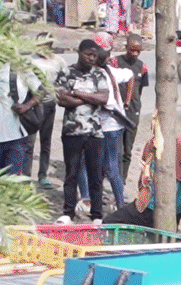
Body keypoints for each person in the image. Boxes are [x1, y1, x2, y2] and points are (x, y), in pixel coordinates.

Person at [54, 38, 109, 224]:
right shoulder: (66, 73)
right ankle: (68, 213)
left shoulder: (99, 74)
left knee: (96, 175)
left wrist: (77, 93)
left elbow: (103, 99)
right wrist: (90, 98)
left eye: (94, 55)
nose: (91, 58)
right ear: (79, 53)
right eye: (88, 54)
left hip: (95, 132)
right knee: (71, 173)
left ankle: (97, 215)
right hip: (72, 130)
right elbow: (61, 99)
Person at [105, 135, 181, 228]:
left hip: (168, 211)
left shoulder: (180, 145)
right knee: (109, 223)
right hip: (145, 206)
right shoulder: (151, 144)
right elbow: (143, 177)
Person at [97, 33, 132, 213]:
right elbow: (129, 74)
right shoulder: (110, 71)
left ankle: (120, 205)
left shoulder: (101, 73)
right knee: (107, 165)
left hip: (108, 126)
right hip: (113, 125)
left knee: (110, 166)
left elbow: (104, 100)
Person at [28, 36, 64, 191]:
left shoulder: (58, 61)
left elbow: (65, 77)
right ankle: (26, 176)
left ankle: (42, 175)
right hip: (32, 105)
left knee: (46, 141)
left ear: (50, 45)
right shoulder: (30, 60)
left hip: (49, 105)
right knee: (29, 143)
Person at [115, 35, 149, 184]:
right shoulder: (116, 63)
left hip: (133, 112)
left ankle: (122, 179)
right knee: (116, 148)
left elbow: (139, 90)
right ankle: (114, 177)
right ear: (126, 48)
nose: (134, 54)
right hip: (116, 111)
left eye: (138, 51)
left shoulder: (142, 67)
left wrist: (133, 104)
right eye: (131, 50)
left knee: (127, 149)